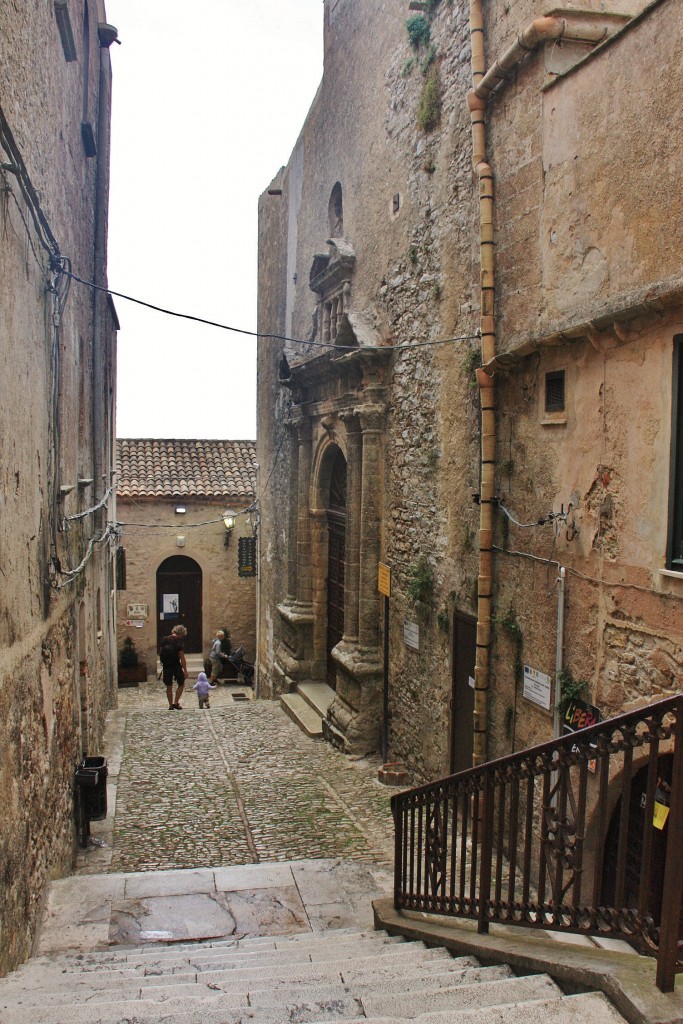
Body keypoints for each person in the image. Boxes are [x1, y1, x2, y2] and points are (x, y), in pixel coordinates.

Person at [159, 624, 188, 709]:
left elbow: (160, 652)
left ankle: (170, 705)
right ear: (181, 633)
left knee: (169, 686)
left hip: (166, 666)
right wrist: (185, 670)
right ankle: (176, 702)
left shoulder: (164, 639)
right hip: (176, 665)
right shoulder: (179, 642)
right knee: (181, 683)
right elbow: (182, 658)